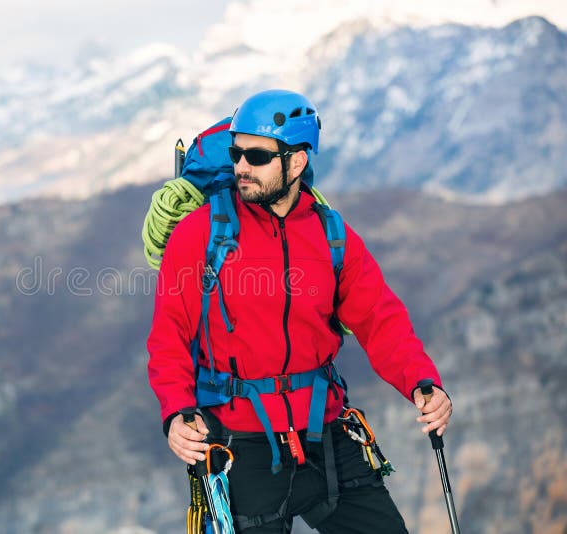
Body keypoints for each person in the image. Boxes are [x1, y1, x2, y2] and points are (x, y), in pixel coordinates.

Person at [147, 89, 452, 533]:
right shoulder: (200, 235)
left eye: (256, 155)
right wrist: (176, 410)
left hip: (325, 436)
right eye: (236, 153)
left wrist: (422, 382)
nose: (241, 167)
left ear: (297, 162)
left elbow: (380, 319)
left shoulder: (331, 234)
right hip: (238, 448)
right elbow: (169, 334)